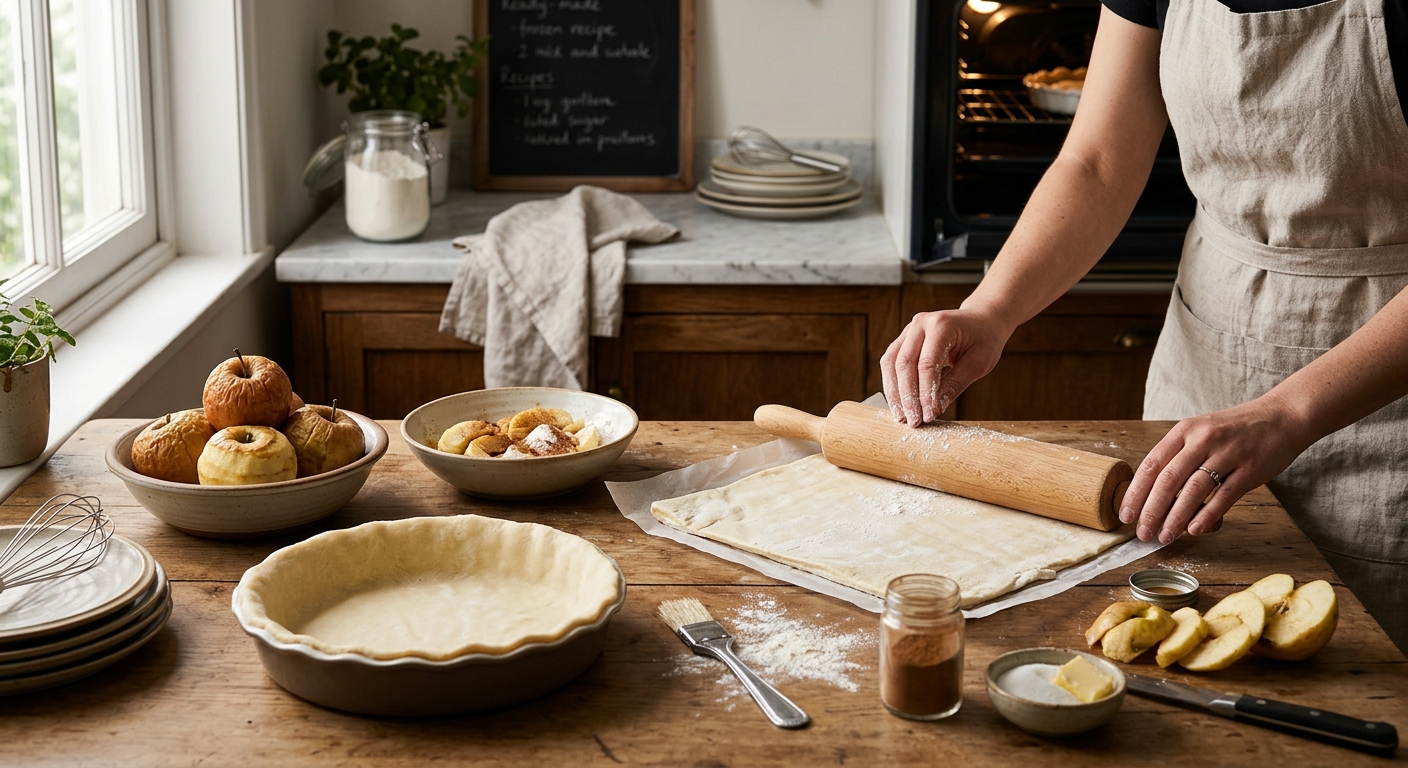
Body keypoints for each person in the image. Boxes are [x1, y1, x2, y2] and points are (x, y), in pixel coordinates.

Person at [880, 0, 1408, 649]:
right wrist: (992, 309)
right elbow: (1099, 160)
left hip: (1384, 397)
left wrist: (1291, 411)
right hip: (1208, 361)